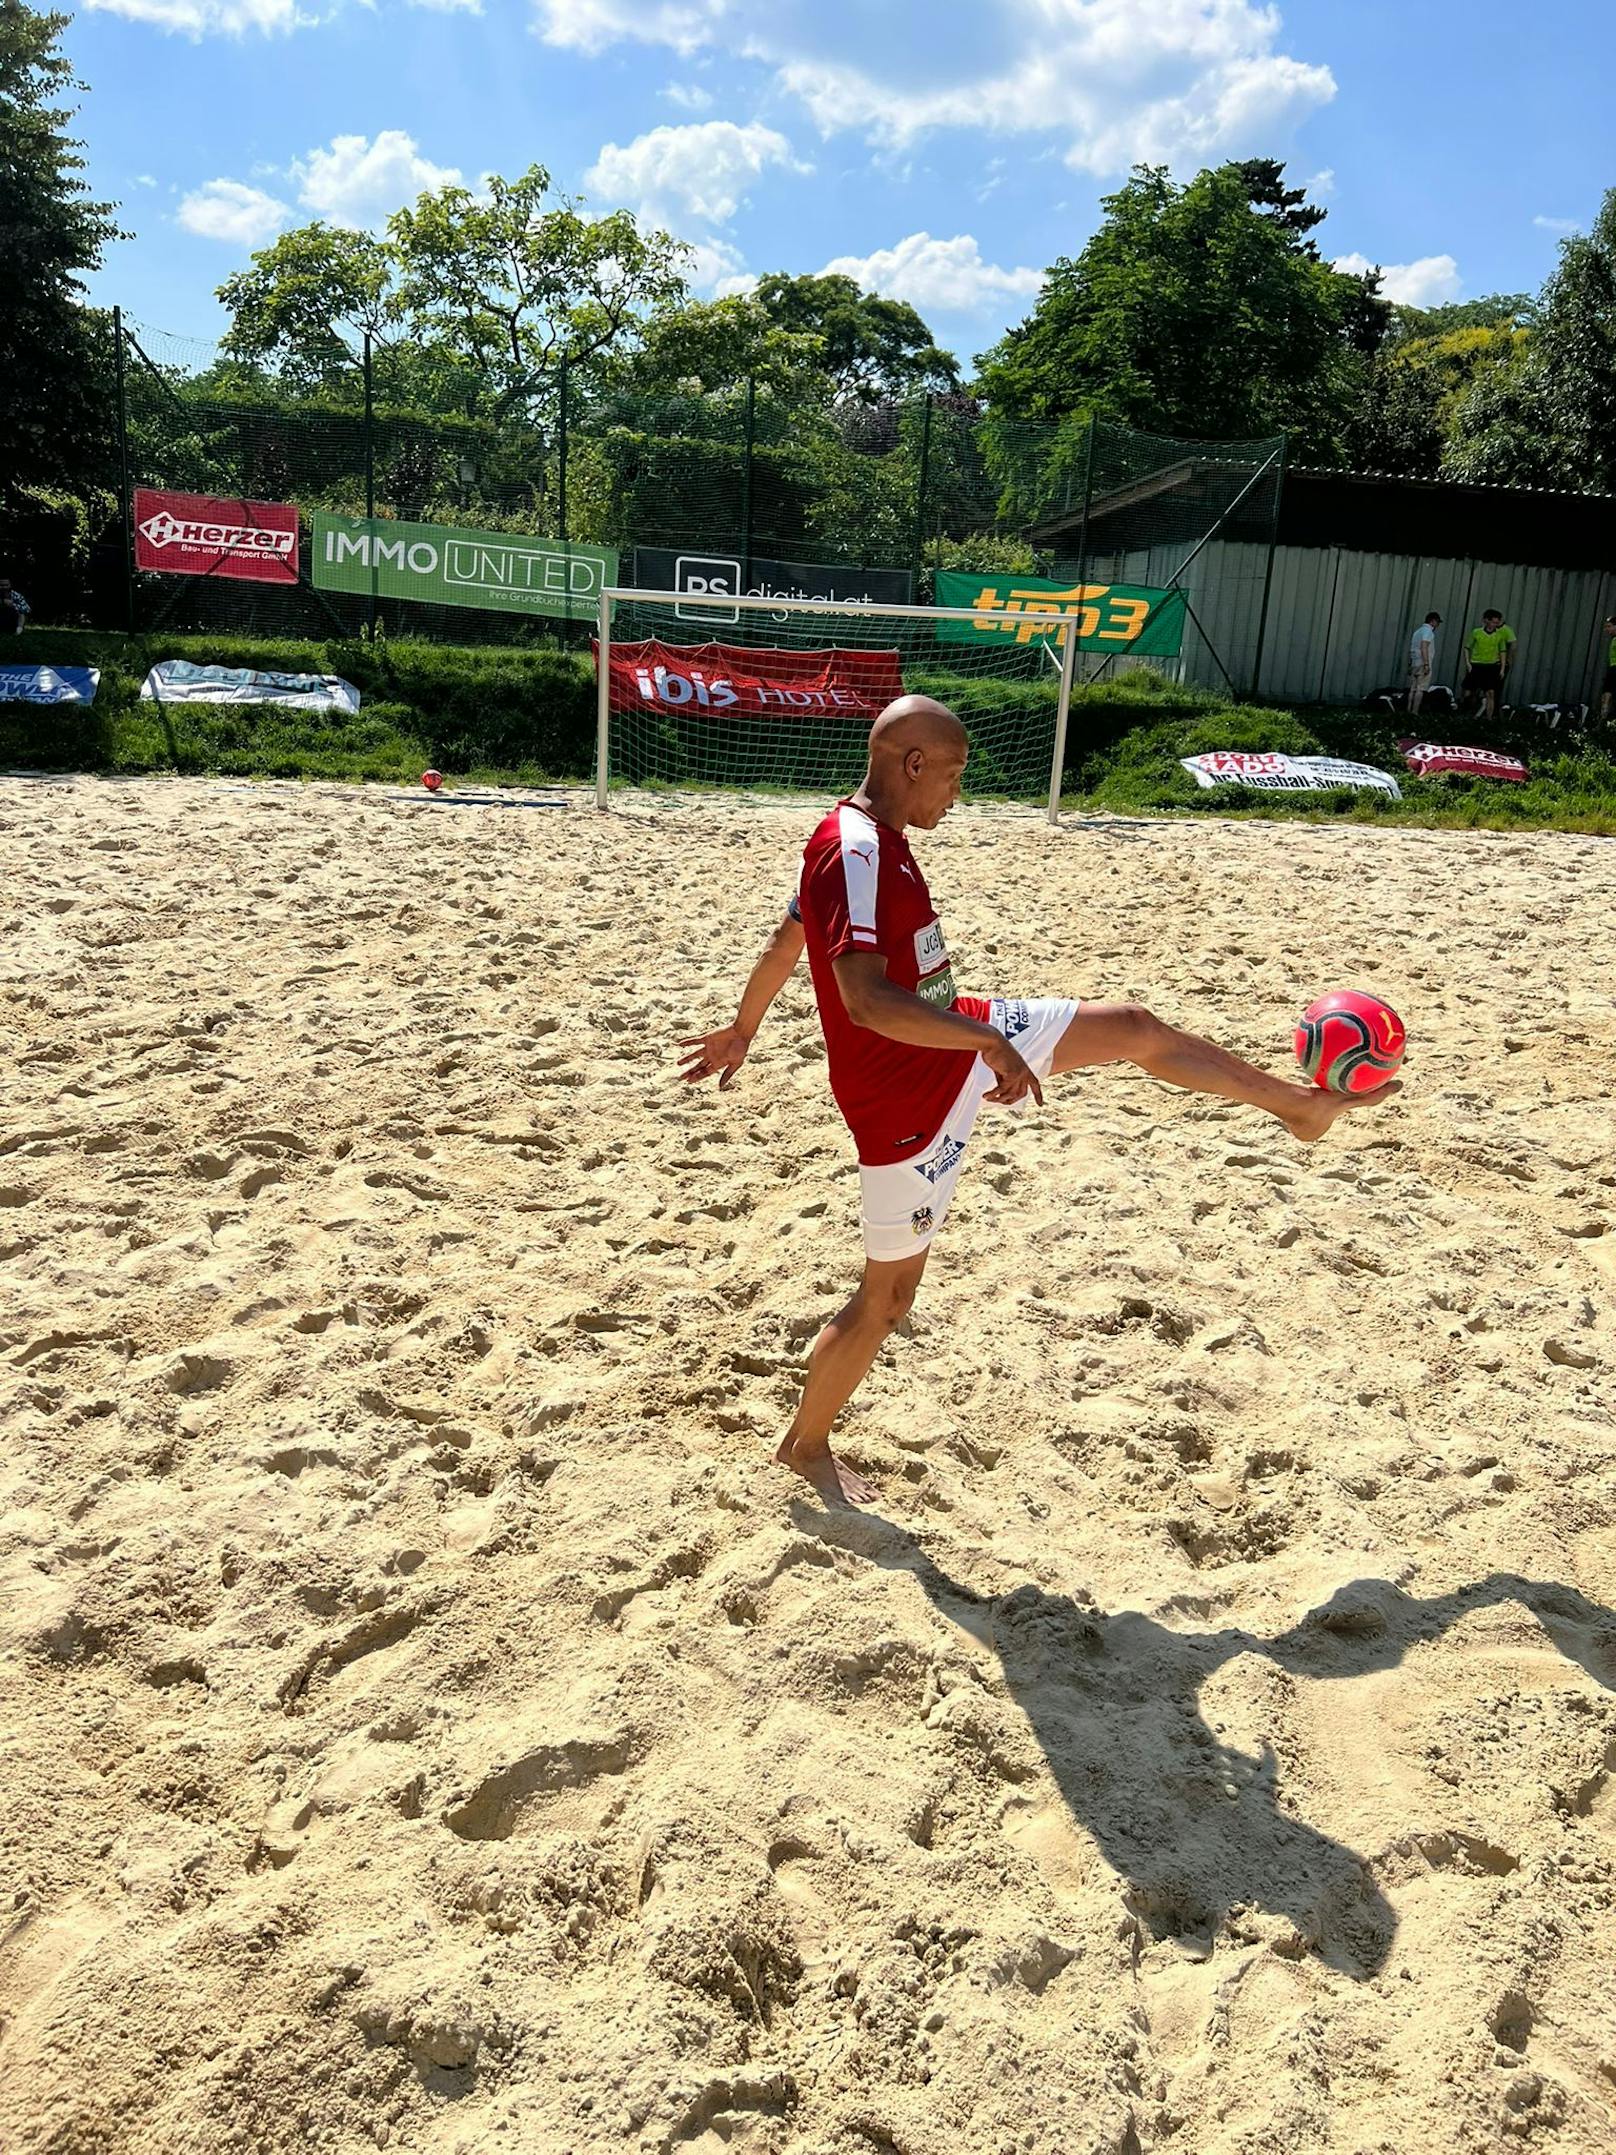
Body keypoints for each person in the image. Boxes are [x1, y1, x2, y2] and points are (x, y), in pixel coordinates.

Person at [679, 695, 1400, 1507]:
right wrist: (987, 1047)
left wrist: (743, 1027)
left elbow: (788, 940)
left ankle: (1298, 1109)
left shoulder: (874, 840)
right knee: (885, 1301)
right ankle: (805, 1445)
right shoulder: (851, 850)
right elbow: (867, 1002)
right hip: (907, 1098)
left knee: (1132, 1025)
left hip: (959, 1036)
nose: (957, 793)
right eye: (950, 775)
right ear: (910, 763)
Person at [1463, 607, 1516, 722]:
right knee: (1469, 692)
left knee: (1491, 692)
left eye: (1497, 623)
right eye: (1493, 622)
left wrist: (1502, 668)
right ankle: (1467, 713)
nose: (1494, 625)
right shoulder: (1476, 632)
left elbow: (1502, 652)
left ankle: (1489, 719)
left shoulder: (1499, 636)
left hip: (1490, 667)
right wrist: (1468, 662)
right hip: (1476, 665)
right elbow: (1467, 647)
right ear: (1486, 621)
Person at [1406, 611, 1441, 715]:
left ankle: (1408, 709)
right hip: (1423, 661)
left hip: (1414, 662)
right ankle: (1415, 711)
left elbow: (1412, 648)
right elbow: (1424, 646)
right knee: (1420, 688)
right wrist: (1426, 664)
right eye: (1437, 622)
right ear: (1433, 621)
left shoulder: (1417, 632)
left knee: (1413, 688)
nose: (1437, 625)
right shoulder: (1428, 632)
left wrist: (1409, 663)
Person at [1601, 614, 1616, 726]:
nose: (1607, 629)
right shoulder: (1614, 639)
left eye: (1609, 626)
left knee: (1607, 694)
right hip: (1612, 668)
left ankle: (1604, 716)